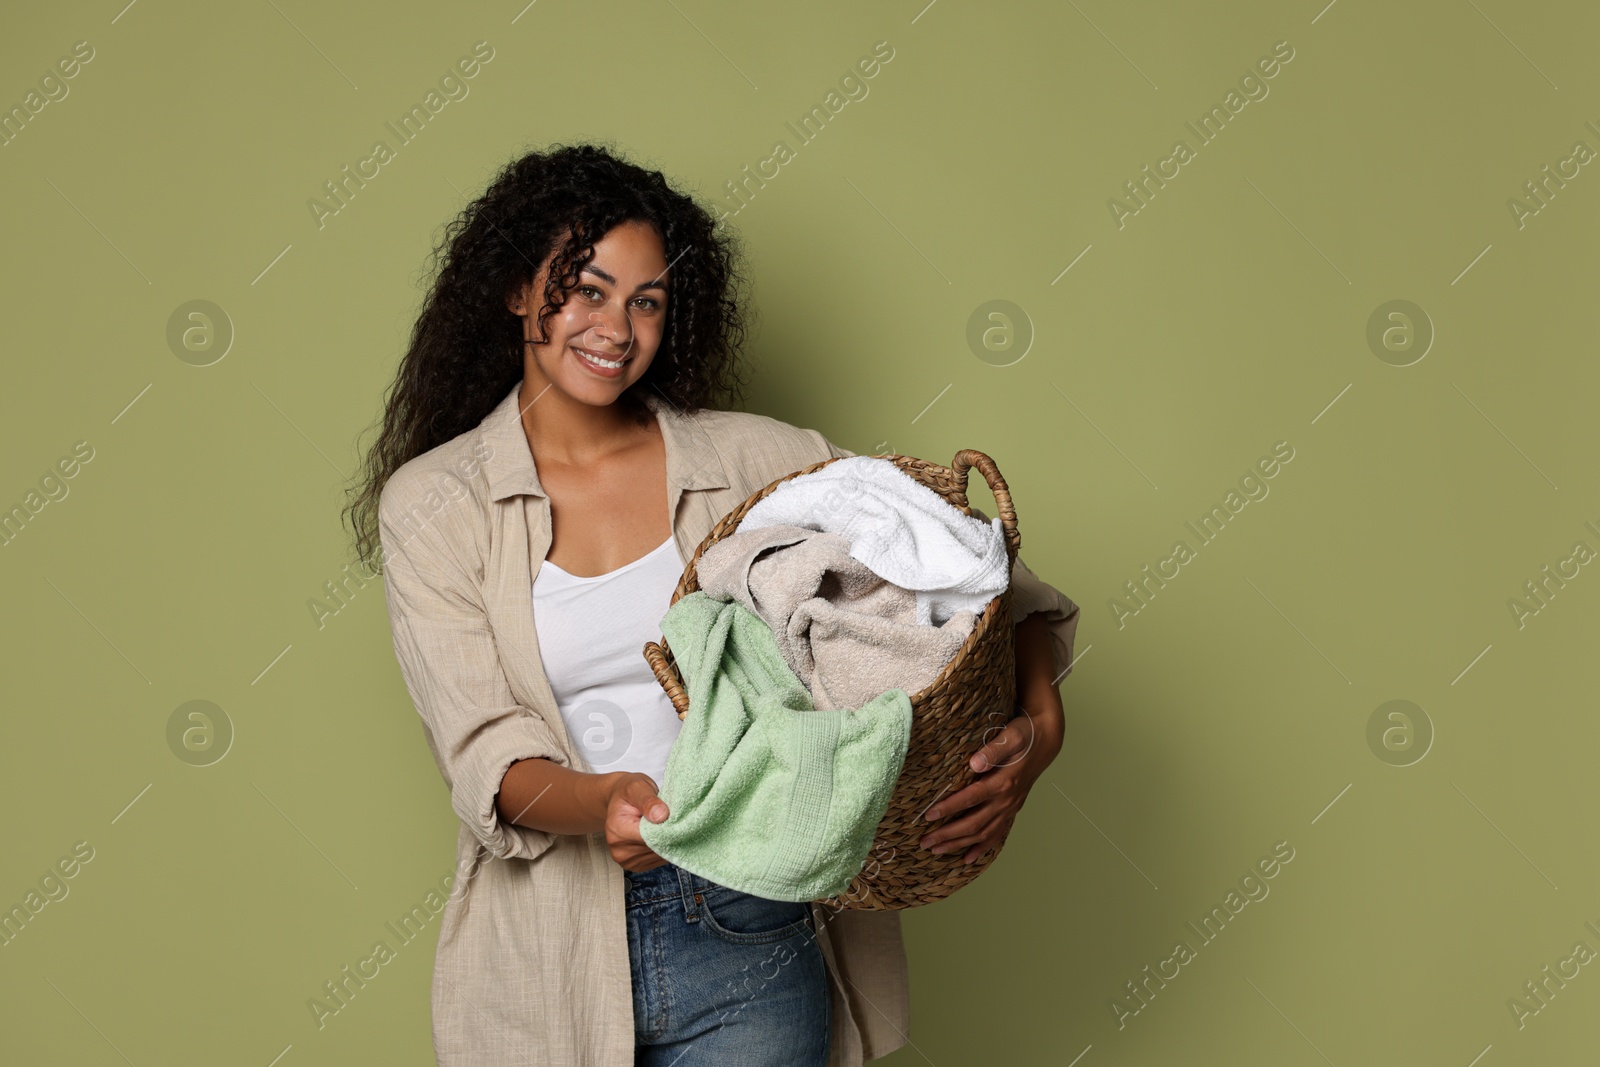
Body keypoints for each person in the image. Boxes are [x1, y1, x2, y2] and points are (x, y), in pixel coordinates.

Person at [344, 142, 1081, 1066]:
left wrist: (1042, 730)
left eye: (646, 299)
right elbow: (485, 754)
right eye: (586, 287)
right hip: (542, 957)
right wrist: (604, 800)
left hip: (748, 920)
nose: (616, 325)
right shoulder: (434, 504)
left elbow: (977, 576)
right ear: (514, 290)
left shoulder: (755, 462)